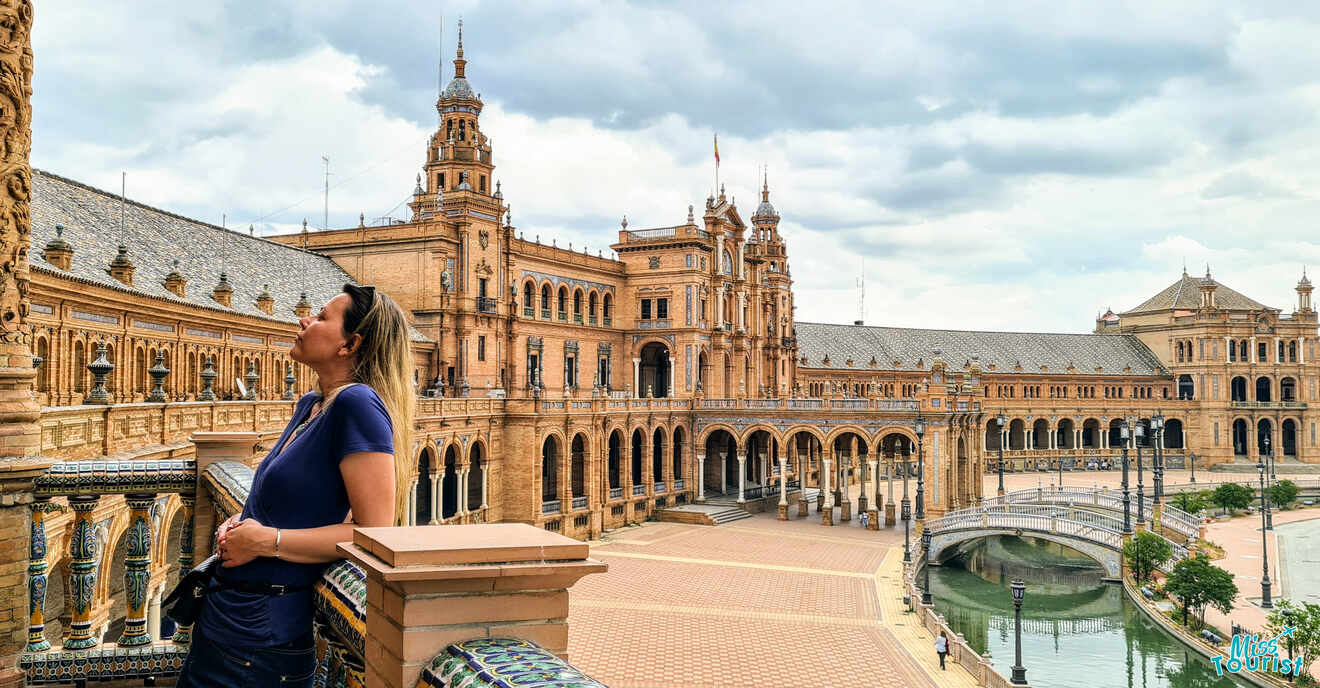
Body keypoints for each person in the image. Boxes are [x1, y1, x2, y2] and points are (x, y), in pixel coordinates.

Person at [177, 284, 415, 687]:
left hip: (263, 639)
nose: (304, 321)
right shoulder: (313, 404)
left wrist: (265, 540)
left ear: (350, 343)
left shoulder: (358, 405)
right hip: (228, 617)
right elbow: (292, 496)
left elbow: (375, 531)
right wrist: (244, 519)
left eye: (322, 317)